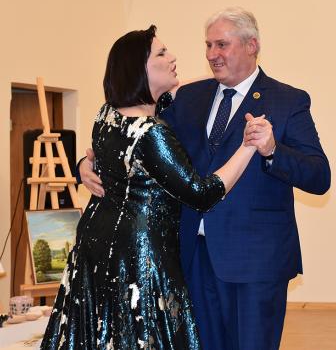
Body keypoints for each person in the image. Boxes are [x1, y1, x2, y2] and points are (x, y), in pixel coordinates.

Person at [80, 8, 331, 350]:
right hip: (193, 258)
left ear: (252, 45)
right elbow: (137, 135)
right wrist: (86, 162)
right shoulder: (188, 96)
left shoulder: (288, 101)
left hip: (255, 263)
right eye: (208, 45)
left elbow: (319, 175)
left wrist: (273, 150)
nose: (212, 54)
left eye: (222, 45)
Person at [41, 25, 264, 349]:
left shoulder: (107, 114)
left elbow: (110, 157)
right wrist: (247, 146)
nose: (173, 57)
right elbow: (202, 194)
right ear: (139, 70)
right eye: (161, 53)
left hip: (96, 243)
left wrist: (83, 165)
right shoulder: (151, 133)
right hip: (138, 255)